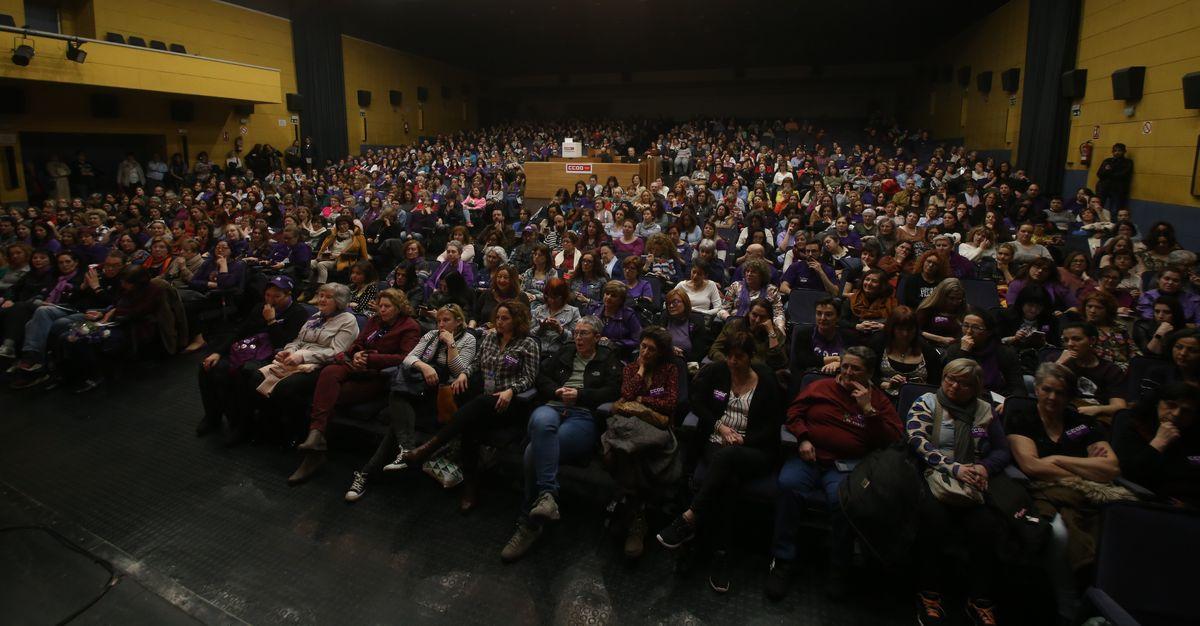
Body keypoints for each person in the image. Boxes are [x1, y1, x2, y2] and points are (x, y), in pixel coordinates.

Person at [767, 346, 902, 601]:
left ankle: (838, 568)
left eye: (856, 368)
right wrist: (804, 438)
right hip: (808, 456)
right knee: (787, 486)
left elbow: (894, 440)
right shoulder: (820, 387)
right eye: (845, 366)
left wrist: (868, 411)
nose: (848, 372)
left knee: (843, 503)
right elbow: (793, 413)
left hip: (848, 465)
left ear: (870, 372)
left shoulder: (879, 400)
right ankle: (783, 560)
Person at [656, 331, 783, 593]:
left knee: (726, 459)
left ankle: (689, 520)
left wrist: (742, 441)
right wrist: (720, 426)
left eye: (739, 357)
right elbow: (697, 403)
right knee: (729, 481)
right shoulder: (717, 372)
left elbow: (773, 425)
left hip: (754, 449)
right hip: (717, 440)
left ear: (751, 357)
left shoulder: (766, 381)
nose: (733, 362)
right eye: (730, 356)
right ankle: (722, 554)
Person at [1006, 363, 1122, 623]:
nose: (1052, 397)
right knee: (1058, 534)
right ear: (1036, 389)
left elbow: (1111, 467)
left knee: (1115, 528)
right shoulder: (1023, 418)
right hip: (1044, 492)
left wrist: (1057, 459)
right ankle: (1067, 602)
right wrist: (1086, 468)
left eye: (1060, 392)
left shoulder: (1082, 422)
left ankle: (1106, 601)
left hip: (1091, 493)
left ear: (1069, 396)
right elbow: (1031, 465)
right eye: (1046, 389)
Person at [500, 316, 622, 562]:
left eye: (584, 333)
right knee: (542, 423)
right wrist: (556, 391)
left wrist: (580, 394)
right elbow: (541, 377)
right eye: (576, 332)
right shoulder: (565, 352)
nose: (578, 337)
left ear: (597, 338)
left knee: (534, 451)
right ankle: (547, 497)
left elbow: (613, 390)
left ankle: (529, 522)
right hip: (552, 406)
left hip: (583, 414)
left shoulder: (608, 358)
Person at [399, 299, 540, 512]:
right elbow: (475, 364)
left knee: (478, 405)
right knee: (469, 425)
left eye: (505, 318)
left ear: (517, 320)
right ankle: (470, 486)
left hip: (509, 404)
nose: (499, 322)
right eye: (498, 318)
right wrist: (464, 374)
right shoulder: (491, 337)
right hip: (484, 401)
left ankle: (429, 447)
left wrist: (511, 391)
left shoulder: (528, 343)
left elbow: (529, 377)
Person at [906, 359, 1011, 626]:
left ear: (975, 387)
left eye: (963, 383)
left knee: (986, 526)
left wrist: (984, 467)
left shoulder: (985, 411)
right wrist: (954, 469)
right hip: (936, 474)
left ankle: (979, 598)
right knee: (934, 519)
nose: (954, 386)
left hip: (973, 479)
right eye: (950, 379)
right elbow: (919, 441)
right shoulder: (927, 402)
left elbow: (1001, 451)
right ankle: (929, 593)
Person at [289, 289, 422, 485]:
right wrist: (358, 353)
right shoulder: (375, 320)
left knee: (331, 396)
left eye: (388, 307)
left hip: (377, 376)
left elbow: (406, 357)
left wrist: (371, 358)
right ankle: (316, 436)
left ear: (399, 307)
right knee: (329, 372)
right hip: (357, 366)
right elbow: (358, 342)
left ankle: (315, 450)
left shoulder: (410, 327)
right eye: (381, 306)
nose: (382, 310)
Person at [353, 304, 478, 500]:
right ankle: (403, 452)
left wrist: (451, 344)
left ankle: (367, 473)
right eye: (438, 321)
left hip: (440, 393)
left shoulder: (468, 339)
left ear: (459, 321)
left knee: (397, 405)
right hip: (418, 387)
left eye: (446, 321)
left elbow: (459, 371)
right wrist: (424, 367)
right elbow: (409, 358)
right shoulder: (430, 335)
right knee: (399, 401)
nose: (441, 325)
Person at [232, 283, 358, 446]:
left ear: (339, 301)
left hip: (319, 366)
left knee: (285, 388)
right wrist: (288, 351)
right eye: (321, 295)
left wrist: (303, 357)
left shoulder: (348, 320)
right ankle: (264, 427)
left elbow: (337, 352)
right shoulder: (316, 316)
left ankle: (291, 432)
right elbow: (298, 340)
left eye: (328, 297)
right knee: (255, 377)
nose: (322, 300)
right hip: (295, 359)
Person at [195, 275, 309, 439]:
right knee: (207, 367)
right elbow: (240, 331)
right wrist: (218, 352)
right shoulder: (259, 307)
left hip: (273, 356)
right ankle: (212, 417)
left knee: (244, 373)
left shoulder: (298, 313)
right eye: (268, 295)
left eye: (277, 296)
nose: (271, 300)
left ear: (289, 295)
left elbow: (284, 343)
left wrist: (271, 321)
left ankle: (242, 424)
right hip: (248, 349)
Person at [601, 327, 680, 559]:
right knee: (628, 447)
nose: (644, 352)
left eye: (651, 349)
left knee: (629, 449)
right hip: (628, 423)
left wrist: (642, 400)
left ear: (661, 353)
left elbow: (670, 403)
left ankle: (627, 505)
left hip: (654, 426)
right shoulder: (632, 368)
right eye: (643, 346)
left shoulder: (669, 370)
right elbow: (626, 393)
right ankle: (638, 514)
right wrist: (642, 370)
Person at [1112, 382, 1199, 506]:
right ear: (1157, 403)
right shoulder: (1133, 422)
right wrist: (1158, 443)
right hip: (1142, 500)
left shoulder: (1193, 434)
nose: (1176, 414)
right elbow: (1127, 474)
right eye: (1171, 405)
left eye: (1186, 411)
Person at [944, 307, 1027, 399]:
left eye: (976, 327)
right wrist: (963, 352)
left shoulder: (1004, 352)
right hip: (963, 397)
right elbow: (951, 382)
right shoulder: (954, 350)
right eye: (966, 325)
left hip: (998, 398)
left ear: (989, 332)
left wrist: (1009, 403)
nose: (969, 331)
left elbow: (1018, 387)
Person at [1054, 322, 1127, 423]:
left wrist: (1097, 409)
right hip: (1064, 414)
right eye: (1066, 340)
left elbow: (1119, 407)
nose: (1070, 344)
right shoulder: (1058, 361)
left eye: (1077, 339)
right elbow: (1042, 390)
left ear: (1092, 340)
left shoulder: (1110, 370)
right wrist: (1059, 364)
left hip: (1095, 418)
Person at [869, 305, 943, 399]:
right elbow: (868, 375)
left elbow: (935, 384)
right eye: (900, 329)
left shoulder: (928, 351)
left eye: (910, 329)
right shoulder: (878, 343)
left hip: (919, 399)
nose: (905, 334)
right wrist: (886, 384)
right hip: (882, 397)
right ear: (892, 329)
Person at [709, 297, 788, 370]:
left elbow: (779, 363)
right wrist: (728, 361)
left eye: (762, 317)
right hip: (732, 369)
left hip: (761, 374)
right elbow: (714, 349)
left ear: (769, 318)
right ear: (749, 313)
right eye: (754, 315)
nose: (757, 320)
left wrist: (771, 334)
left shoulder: (775, 332)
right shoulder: (735, 325)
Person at [719, 258, 784, 329]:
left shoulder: (771, 290)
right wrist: (730, 319)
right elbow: (723, 309)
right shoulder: (736, 286)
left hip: (761, 326)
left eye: (753, 272)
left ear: (762, 275)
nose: (749, 274)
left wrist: (780, 326)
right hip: (735, 324)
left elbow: (778, 313)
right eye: (747, 271)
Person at [530, 278, 581, 356]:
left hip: (560, 355)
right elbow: (530, 335)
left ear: (563, 296)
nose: (552, 301)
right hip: (537, 353)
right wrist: (541, 328)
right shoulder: (538, 310)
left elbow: (576, 339)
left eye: (556, 297)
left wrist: (560, 330)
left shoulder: (573, 312)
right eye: (550, 296)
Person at [596, 280, 643, 355]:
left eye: (613, 296)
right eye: (607, 294)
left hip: (619, 355)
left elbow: (637, 340)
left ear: (621, 300)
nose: (608, 297)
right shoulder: (595, 310)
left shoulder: (628, 315)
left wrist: (614, 343)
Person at [471, 264, 523, 329]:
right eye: (499, 276)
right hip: (482, 332)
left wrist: (494, 329)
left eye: (506, 277)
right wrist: (471, 328)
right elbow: (475, 316)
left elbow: (523, 322)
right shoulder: (487, 294)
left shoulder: (520, 297)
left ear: (512, 280)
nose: (501, 280)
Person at [1095, 143, 1133, 213]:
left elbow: (1122, 175)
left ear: (1124, 151)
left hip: (1117, 189)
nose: (1117, 152)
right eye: (1115, 151)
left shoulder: (1127, 162)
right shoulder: (1107, 161)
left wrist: (1108, 171)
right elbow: (1099, 174)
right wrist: (1106, 170)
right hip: (1103, 187)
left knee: (1114, 210)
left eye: (1119, 151)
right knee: (1098, 207)